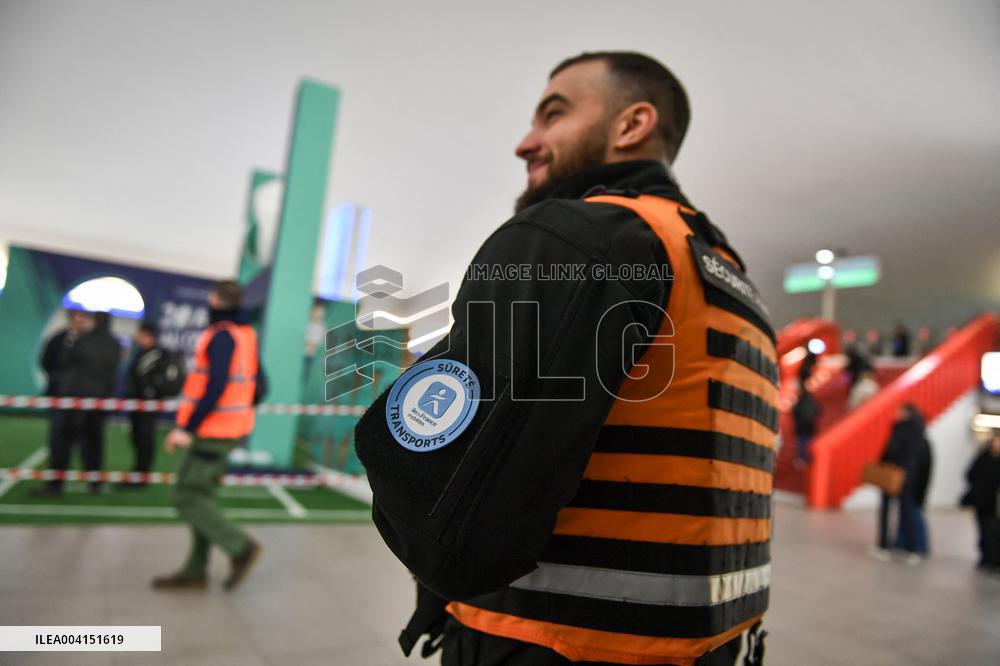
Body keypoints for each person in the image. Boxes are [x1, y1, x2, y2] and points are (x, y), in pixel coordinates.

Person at [355, 52, 776, 665]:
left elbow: (449, 535)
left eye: (554, 114)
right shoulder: (730, 279)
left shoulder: (580, 239)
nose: (527, 143)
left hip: (546, 646)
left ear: (631, 125)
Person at [152, 280, 267, 591]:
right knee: (201, 497)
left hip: (211, 432)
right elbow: (261, 386)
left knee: (186, 496)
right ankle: (195, 570)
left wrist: (186, 429)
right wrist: (239, 410)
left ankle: (241, 547)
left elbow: (215, 386)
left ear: (215, 300)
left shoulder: (220, 337)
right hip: (231, 430)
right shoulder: (247, 335)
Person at [34, 311, 121, 496]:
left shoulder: (81, 341)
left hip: (72, 401)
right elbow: (112, 375)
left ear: (93, 321)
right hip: (98, 403)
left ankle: (55, 485)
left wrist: (59, 386)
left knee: (62, 443)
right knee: (93, 443)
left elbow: (58, 364)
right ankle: (94, 484)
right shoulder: (115, 344)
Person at [35, 309, 92, 496]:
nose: (79, 323)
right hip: (60, 398)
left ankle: (92, 482)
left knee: (86, 442)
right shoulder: (58, 339)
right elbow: (45, 361)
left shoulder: (90, 342)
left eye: (82, 320)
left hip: (83, 401)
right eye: (77, 319)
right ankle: (56, 483)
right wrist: (59, 381)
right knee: (58, 441)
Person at [122, 321, 184, 487]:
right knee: (137, 438)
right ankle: (138, 472)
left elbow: (156, 380)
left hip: (148, 405)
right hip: (137, 404)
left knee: (144, 438)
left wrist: (151, 392)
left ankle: (141, 475)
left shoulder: (158, 354)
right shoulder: (142, 352)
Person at [873, 404, 932, 564]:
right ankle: (906, 546)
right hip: (908, 480)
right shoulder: (919, 435)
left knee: (907, 513)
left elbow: (892, 452)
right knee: (907, 513)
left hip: (900, 479)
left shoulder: (902, 432)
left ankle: (893, 546)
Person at [961, 432, 1000, 571]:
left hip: (995, 503)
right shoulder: (984, 457)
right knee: (984, 531)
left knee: (994, 532)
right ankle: (986, 558)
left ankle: (995, 560)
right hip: (983, 501)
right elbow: (970, 473)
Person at [793, 388, 821, 467]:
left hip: (801, 426)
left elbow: (794, 413)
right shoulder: (812, 402)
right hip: (810, 426)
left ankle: (800, 458)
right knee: (807, 442)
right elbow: (818, 411)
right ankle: (807, 457)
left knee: (801, 442)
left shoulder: (799, 403)